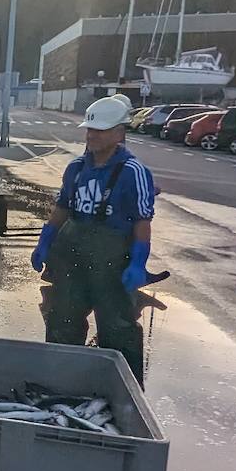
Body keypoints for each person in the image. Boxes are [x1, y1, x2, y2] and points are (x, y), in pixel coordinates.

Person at [31, 95, 157, 384]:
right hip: (71, 257)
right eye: (89, 129)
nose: (92, 135)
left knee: (117, 328)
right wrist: (45, 241)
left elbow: (142, 222)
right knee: (62, 319)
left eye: (99, 130)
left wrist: (138, 263)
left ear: (119, 132)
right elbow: (62, 208)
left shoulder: (133, 172)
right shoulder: (76, 168)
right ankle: (58, 382)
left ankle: (123, 391)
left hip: (110, 261)